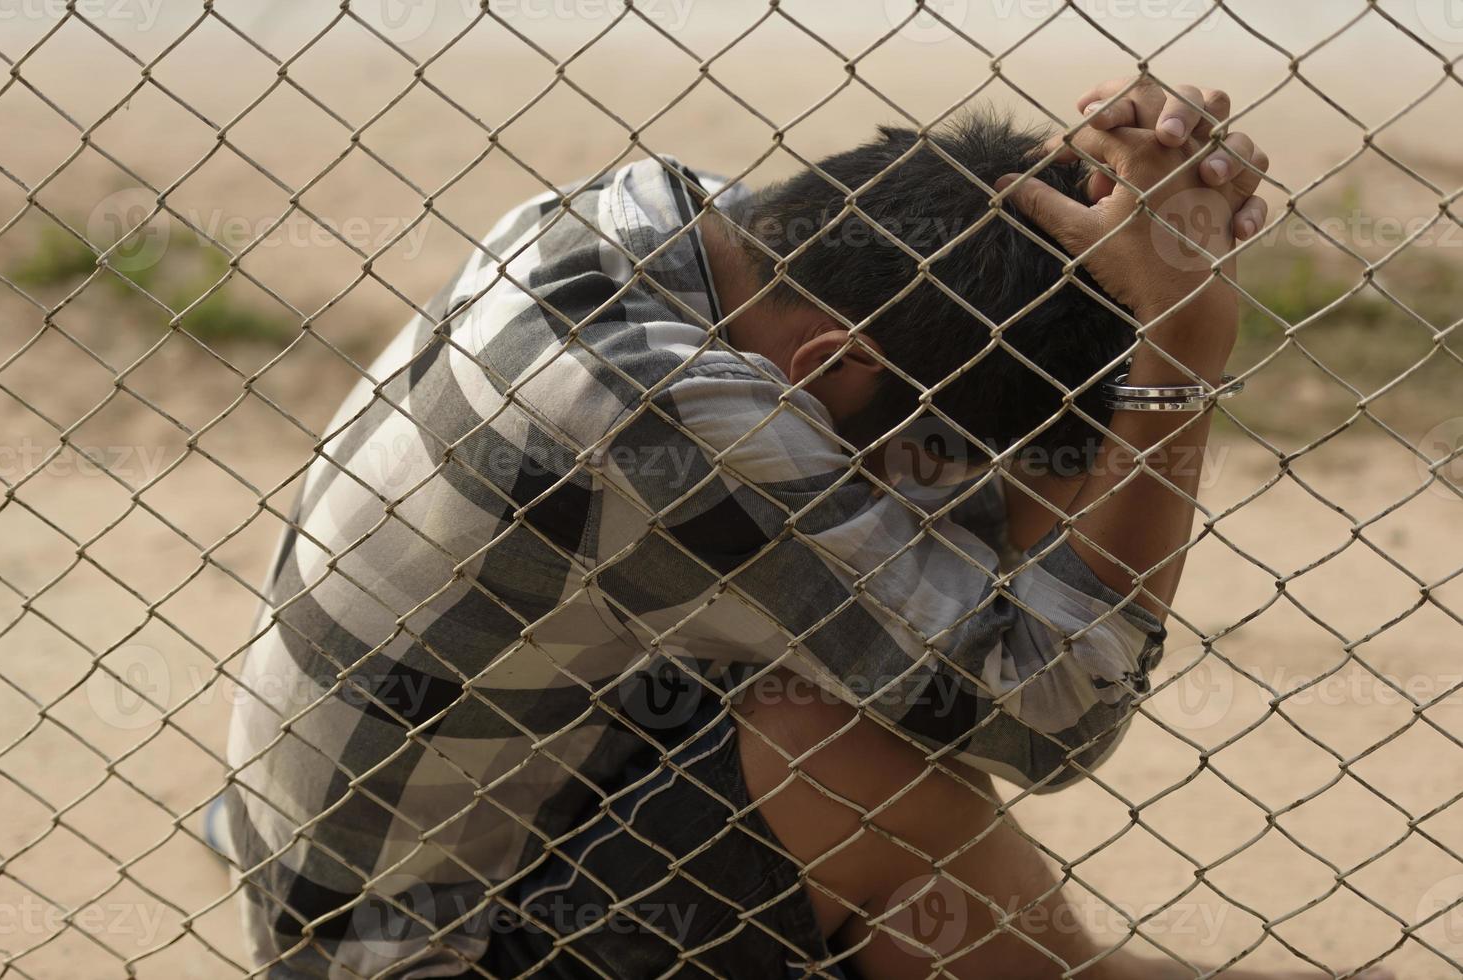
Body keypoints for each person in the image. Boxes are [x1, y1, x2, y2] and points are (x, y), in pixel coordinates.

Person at [218, 75, 1393, 979]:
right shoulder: (649, 417)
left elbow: (924, 418)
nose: (960, 483)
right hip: (422, 949)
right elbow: (1053, 715)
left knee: (865, 685)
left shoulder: (645, 220)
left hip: (414, 846)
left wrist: (1086, 197)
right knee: (839, 747)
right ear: (828, 363)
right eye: (944, 448)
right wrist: (1173, 357)